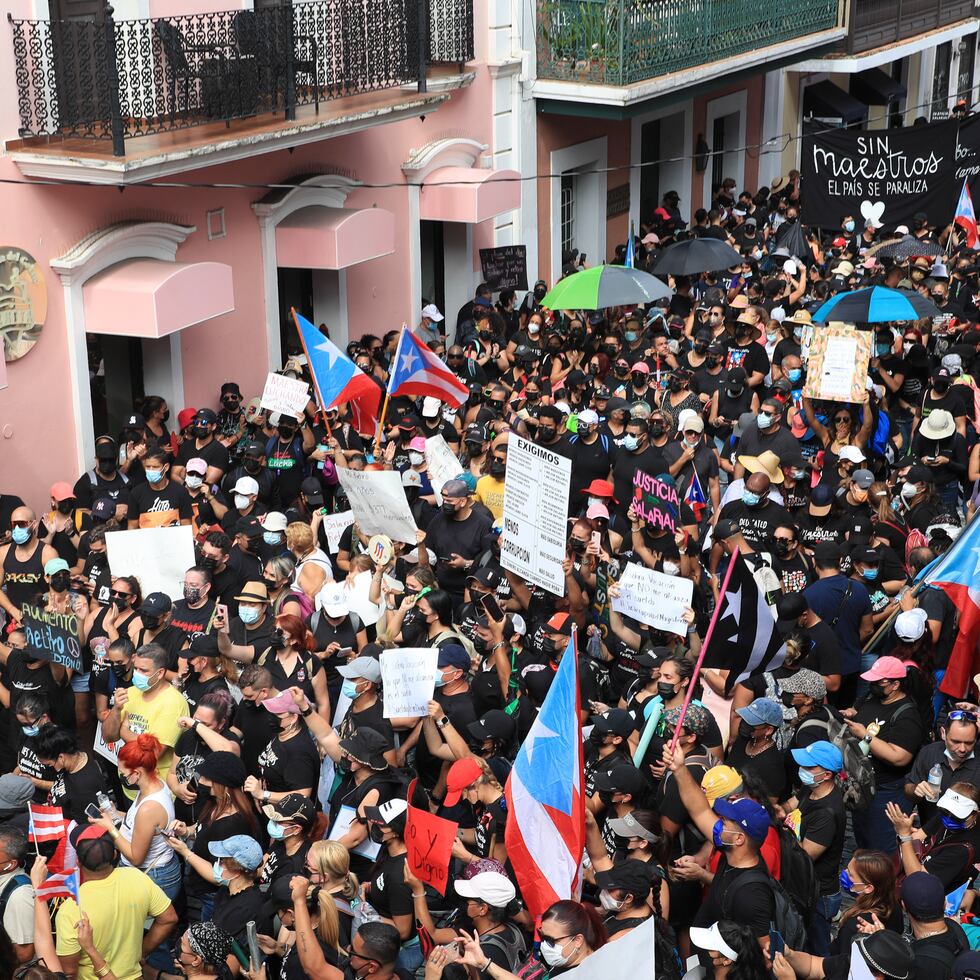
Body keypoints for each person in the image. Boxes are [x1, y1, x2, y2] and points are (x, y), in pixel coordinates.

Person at [53, 824, 178, 980]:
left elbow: (69, 972)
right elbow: (169, 918)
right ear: (114, 854)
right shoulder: (137, 878)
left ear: (78, 862)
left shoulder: (70, 909)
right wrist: (142, 951)